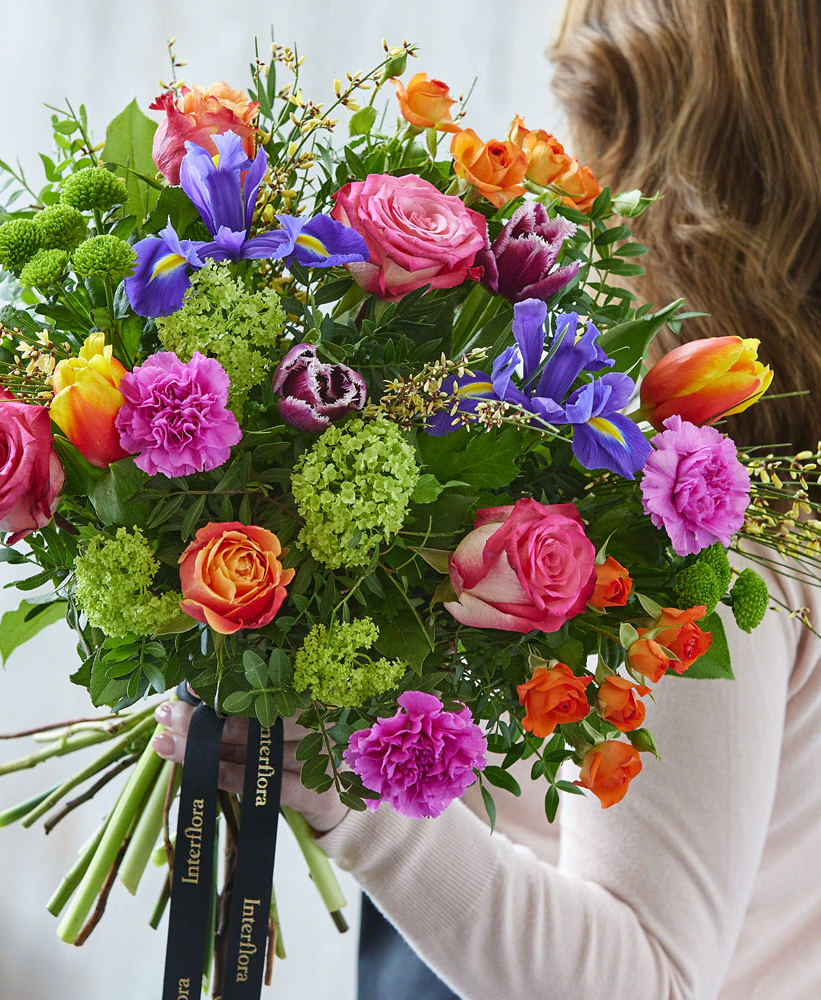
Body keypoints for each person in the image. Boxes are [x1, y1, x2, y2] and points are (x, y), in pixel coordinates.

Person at [151, 1, 821, 995]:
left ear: (652, 146)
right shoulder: (756, 470)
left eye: (588, 119)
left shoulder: (696, 517)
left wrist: (347, 791)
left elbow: (647, 977)